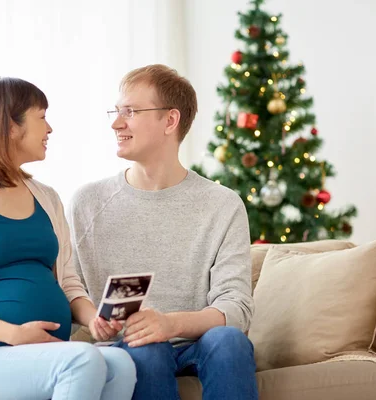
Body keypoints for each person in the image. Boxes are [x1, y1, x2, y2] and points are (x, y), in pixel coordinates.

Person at [0, 77, 136, 400]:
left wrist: (95, 320)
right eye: (42, 117)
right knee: (82, 360)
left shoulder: (47, 198)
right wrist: (14, 334)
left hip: (47, 355)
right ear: (9, 127)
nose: (49, 129)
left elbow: (69, 283)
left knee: (121, 362)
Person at [68, 64, 258, 400]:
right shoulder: (89, 202)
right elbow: (70, 290)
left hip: (199, 342)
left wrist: (170, 324)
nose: (116, 123)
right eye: (116, 111)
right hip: (128, 347)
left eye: (130, 112)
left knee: (229, 341)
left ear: (170, 121)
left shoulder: (222, 205)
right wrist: (96, 318)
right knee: (148, 349)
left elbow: (236, 309)